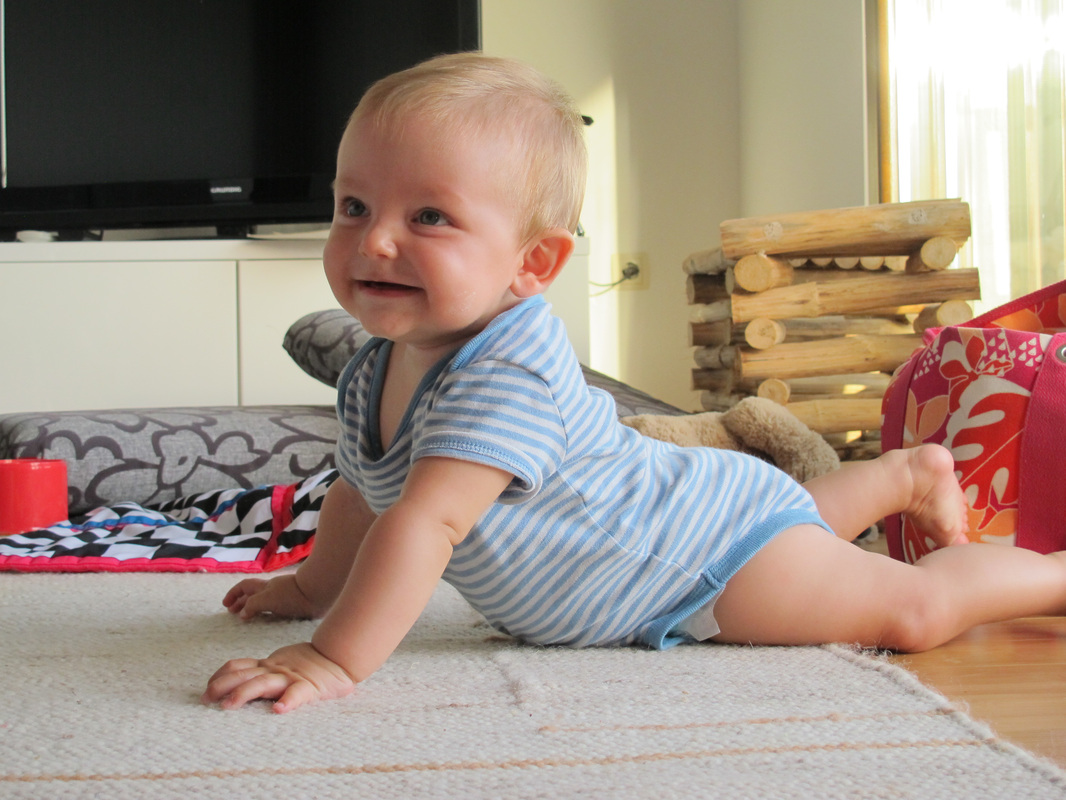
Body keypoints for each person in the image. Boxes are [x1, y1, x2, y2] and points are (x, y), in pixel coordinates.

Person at [201, 53, 1066, 714]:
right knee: (793, 528)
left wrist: (332, 654)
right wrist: (311, 588)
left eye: (429, 217)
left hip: (699, 568)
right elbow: (363, 491)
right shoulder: (375, 365)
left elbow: (425, 521)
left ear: (533, 263)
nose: (375, 241)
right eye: (354, 206)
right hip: (685, 518)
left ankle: (1050, 575)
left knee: (909, 612)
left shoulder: (503, 374)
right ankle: (903, 475)